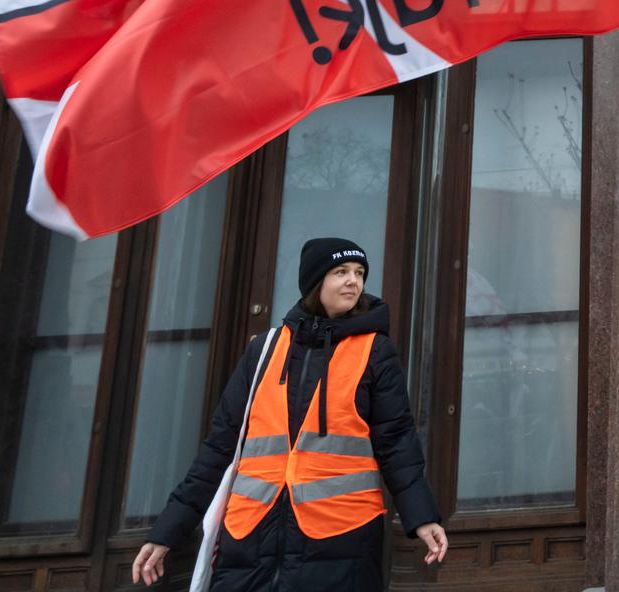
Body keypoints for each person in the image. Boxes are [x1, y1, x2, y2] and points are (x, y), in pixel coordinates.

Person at [131, 239, 447, 592]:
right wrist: (167, 533)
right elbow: (219, 448)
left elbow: (397, 443)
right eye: (340, 272)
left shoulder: (375, 351)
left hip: (341, 541)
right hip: (250, 540)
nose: (353, 282)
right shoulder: (263, 350)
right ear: (315, 282)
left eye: (359, 273)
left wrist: (422, 517)